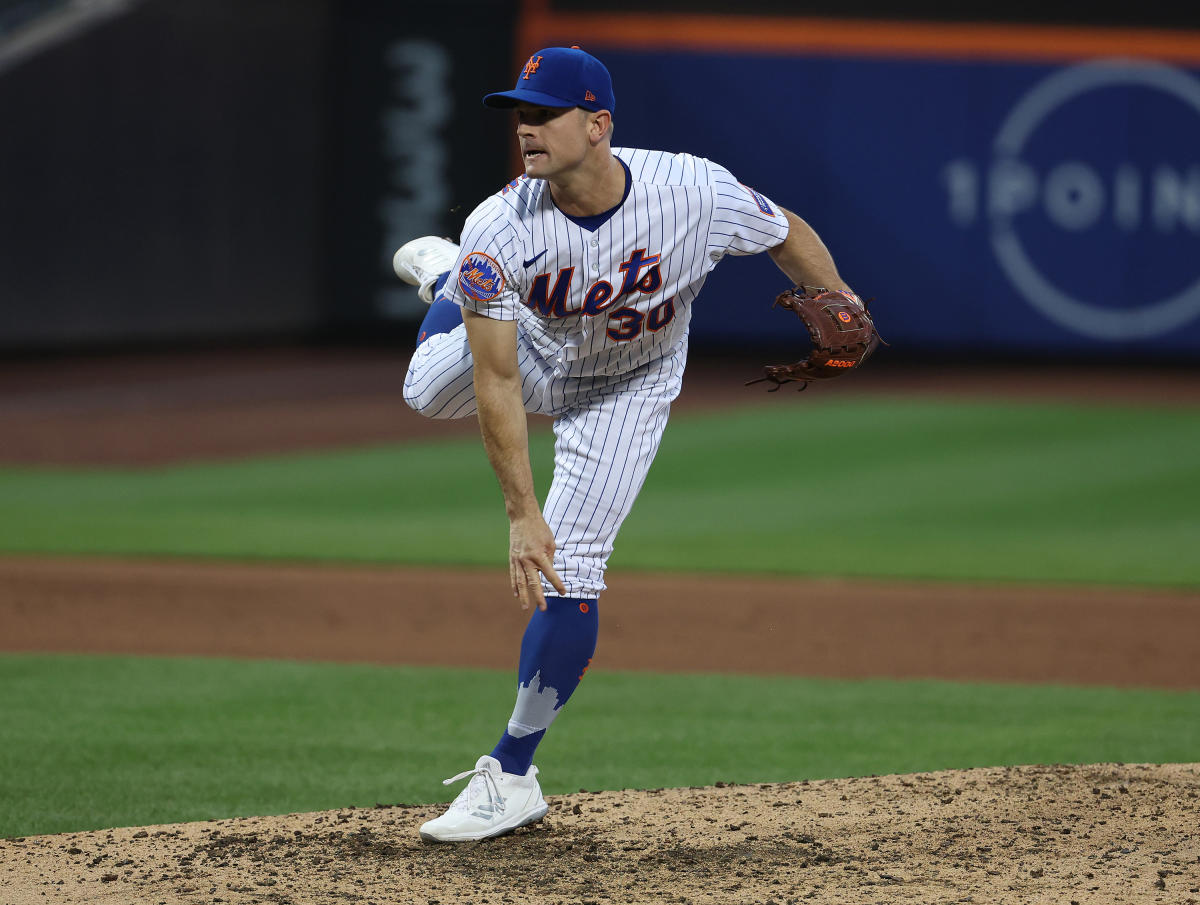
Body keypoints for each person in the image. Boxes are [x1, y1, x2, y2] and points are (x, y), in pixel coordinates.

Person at [394, 46, 858, 843]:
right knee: (423, 390)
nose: (527, 128)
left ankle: (511, 773)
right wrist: (520, 509)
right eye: (520, 114)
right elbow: (498, 382)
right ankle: (455, 284)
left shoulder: (694, 191)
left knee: (572, 567)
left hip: (629, 384)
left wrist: (838, 298)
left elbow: (786, 230)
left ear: (598, 124)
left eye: (544, 113)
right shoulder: (501, 224)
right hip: (535, 356)